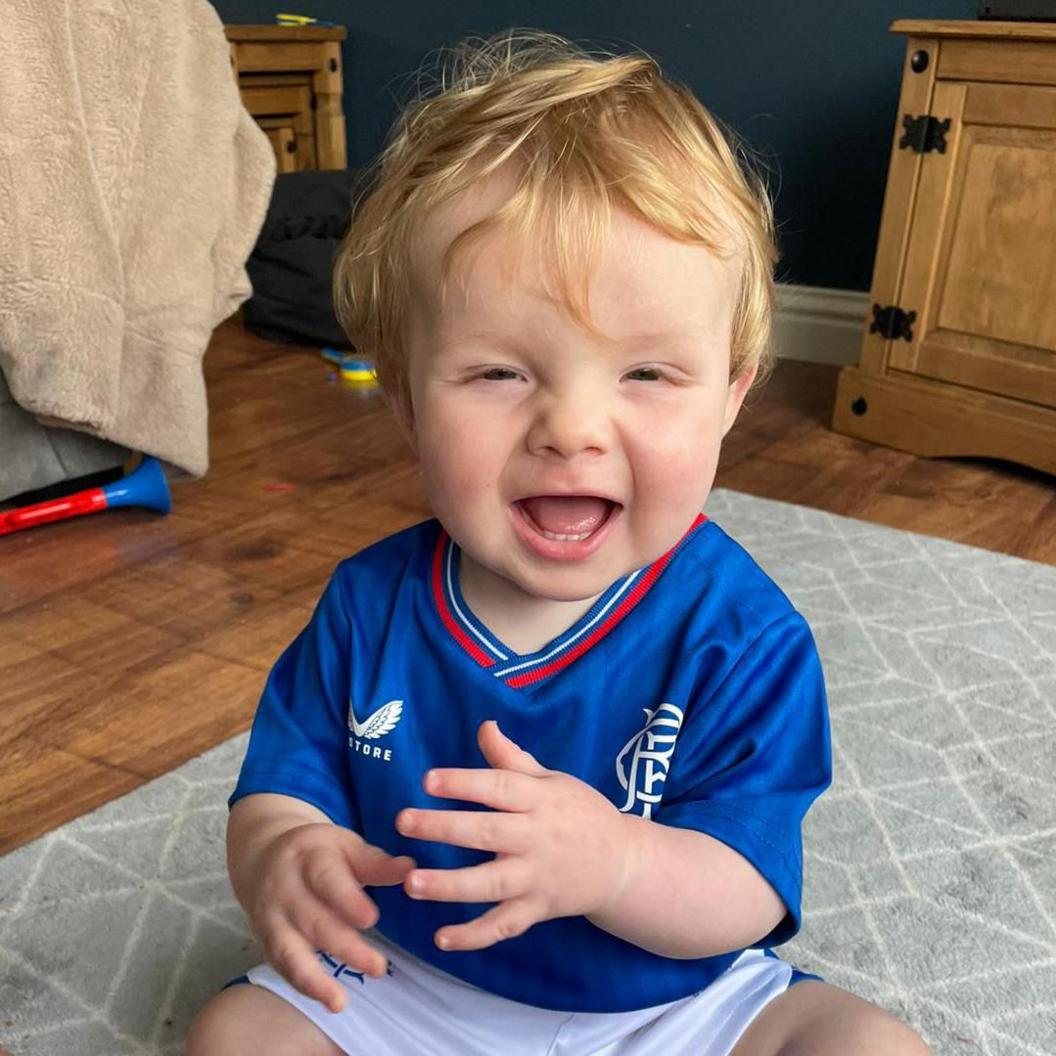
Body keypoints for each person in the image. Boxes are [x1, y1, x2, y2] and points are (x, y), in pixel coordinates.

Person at [186, 30, 931, 1056]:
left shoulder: (744, 634)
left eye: (648, 375)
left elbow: (748, 892)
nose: (572, 429)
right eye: (499, 373)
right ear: (403, 397)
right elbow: (281, 786)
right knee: (236, 1032)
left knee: (868, 1045)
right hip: (411, 980)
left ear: (730, 395)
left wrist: (614, 865)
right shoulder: (368, 606)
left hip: (667, 1004)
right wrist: (283, 857)